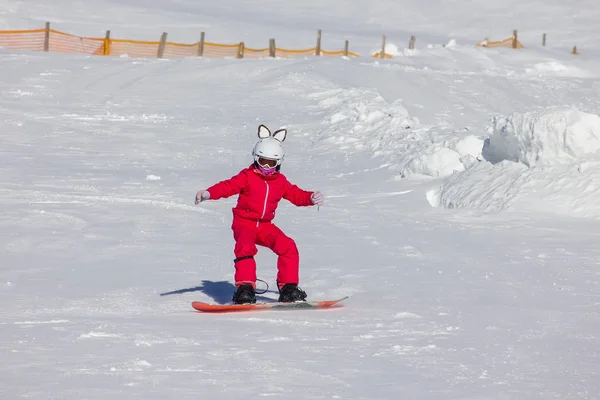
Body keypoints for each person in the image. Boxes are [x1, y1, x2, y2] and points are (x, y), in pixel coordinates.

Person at [195, 124, 324, 304]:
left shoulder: (280, 182)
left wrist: (310, 198)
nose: (266, 166)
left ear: (278, 162)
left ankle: (288, 288)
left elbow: (295, 194)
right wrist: (209, 193)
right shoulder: (247, 176)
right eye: (262, 161)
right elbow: (228, 186)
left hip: (264, 226)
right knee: (245, 247)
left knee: (288, 246)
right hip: (244, 223)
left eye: (271, 163)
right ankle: (245, 289)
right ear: (256, 158)